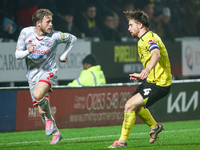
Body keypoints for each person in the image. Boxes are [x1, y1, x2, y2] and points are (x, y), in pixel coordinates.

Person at [108, 9, 172, 148]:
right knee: (135, 107)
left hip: (160, 83)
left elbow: (156, 54)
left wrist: (146, 70)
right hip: (151, 80)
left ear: (140, 25)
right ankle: (155, 127)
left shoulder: (149, 38)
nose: (128, 28)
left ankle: (122, 142)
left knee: (129, 106)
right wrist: (143, 74)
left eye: (131, 25)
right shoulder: (143, 39)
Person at [15, 9, 77, 144]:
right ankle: (56, 133)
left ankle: (49, 121)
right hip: (32, 75)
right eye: (48, 22)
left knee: (38, 95)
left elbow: (72, 39)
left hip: (49, 72)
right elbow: (17, 55)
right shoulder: (26, 33)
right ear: (38, 23)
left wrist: (63, 55)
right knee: (41, 111)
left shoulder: (54, 36)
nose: (50, 25)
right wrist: (27, 51)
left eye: (51, 21)